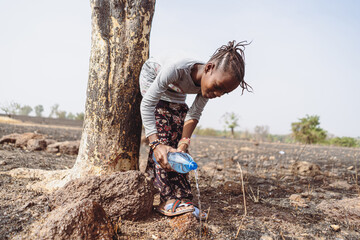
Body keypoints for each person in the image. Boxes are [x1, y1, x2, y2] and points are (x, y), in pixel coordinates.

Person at [139, 40, 252, 219]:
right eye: (218, 88)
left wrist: (183, 143)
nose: (218, 94)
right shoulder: (176, 68)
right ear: (208, 68)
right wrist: (155, 144)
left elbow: (194, 113)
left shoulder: (209, 82)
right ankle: (167, 198)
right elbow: (147, 105)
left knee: (178, 139)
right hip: (154, 79)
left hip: (176, 91)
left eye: (224, 93)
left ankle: (183, 197)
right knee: (163, 136)